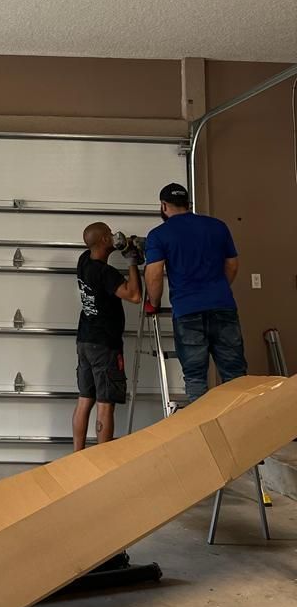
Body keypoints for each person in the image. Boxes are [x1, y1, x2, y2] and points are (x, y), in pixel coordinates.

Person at [144, 183, 247, 402]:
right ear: (188, 203)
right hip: (223, 306)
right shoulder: (218, 226)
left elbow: (153, 275)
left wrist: (153, 302)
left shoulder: (159, 235)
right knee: (235, 375)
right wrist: (218, 289)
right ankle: (243, 432)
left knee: (195, 378)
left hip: (187, 311)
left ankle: (200, 434)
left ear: (163, 206)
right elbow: (233, 265)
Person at [73, 222, 142, 451]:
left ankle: (77, 456)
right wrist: (131, 260)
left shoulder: (84, 261)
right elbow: (133, 295)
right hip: (104, 345)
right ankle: (102, 463)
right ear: (103, 240)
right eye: (110, 235)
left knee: (85, 400)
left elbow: (93, 246)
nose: (114, 236)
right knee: (105, 404)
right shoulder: (106, 273)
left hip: (84, 341)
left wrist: (118, 246)